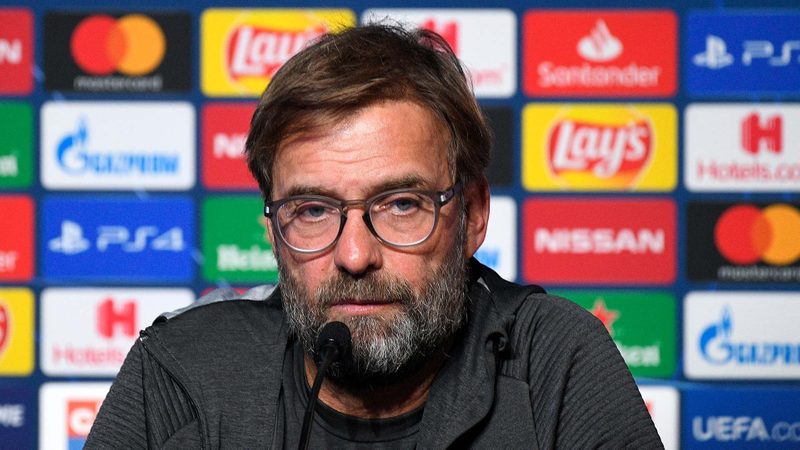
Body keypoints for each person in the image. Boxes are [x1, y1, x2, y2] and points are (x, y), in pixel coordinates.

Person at [86, 24, 662, 448]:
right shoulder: (182, 371)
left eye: (401, 205)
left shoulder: (554, 362)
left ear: (473, 215)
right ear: (273, 231)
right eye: (313, 210)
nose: (355, 255)